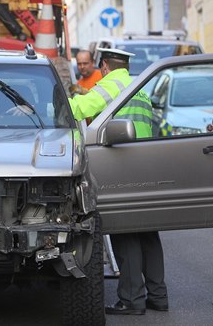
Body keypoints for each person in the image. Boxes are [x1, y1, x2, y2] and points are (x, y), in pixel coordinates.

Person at [69, 48, 166, 315]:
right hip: (146, 163)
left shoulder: (113, 84)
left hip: (125, 166)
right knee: (148, 233)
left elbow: (78, 108)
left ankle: (132, 301)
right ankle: (158, 297)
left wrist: (43, 103)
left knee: (126, 234)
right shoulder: (139, 86)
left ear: (104, 65)